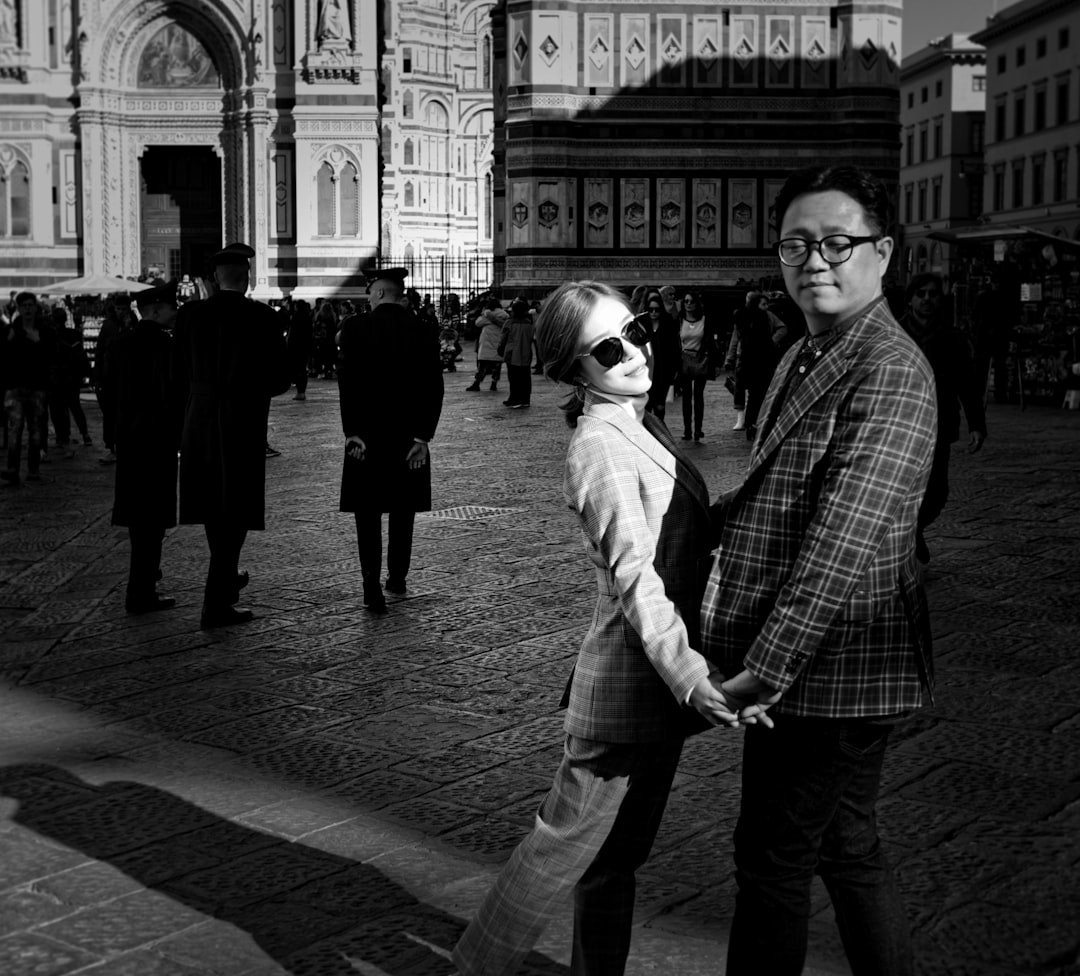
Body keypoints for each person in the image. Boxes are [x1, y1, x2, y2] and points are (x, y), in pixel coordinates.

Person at [453, 280, 769, 976]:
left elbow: (678, 532)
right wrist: (693, 677)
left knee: (614, 858)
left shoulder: (635, 421)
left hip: (647, 691)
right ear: (574, 368)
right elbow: (637, 579)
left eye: (631, 330)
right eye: (606, 346)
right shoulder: (600, 442)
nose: (631, 351)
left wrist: (756, 494)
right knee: (557, 853)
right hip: (629, 691)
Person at [700, 165, 938, 976]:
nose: (816, 261)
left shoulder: (889, 369)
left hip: (831, 669)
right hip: (824, 669)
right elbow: (780, 491)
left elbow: (841, 541)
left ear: (884, 252)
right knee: (847, 846)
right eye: (796, 244)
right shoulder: (809, 350)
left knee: (772, 861)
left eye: (838, 242)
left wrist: (763, 672)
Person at [171, 242, 291, 629]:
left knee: (210, 503)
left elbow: (176, 375)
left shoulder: (189, 316)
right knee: (235, 505)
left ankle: (224, 584)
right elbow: (280, 379)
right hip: (242, 419)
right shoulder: (264, 318)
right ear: (248, 279)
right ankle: (217, 598)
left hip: (200, 419)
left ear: (212, 280)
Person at [337, 268, 443, 613]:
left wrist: (351, 430)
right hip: (406, 436)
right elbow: (432, 386)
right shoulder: (424, 330)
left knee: (366, 513)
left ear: (380, 293)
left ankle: (370, 585)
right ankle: (397, 577)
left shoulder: (354, 328)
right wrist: (422, 435)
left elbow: (348, 381)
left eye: (370, 293)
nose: (368, 298)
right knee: (403, 509)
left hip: (365, 437)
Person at [899, 273, 987, 563]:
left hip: (938, 423)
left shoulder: (952, 338)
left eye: (933, 294)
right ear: (911, 298)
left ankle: (914, 530)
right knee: (903, 490)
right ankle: (910, 535)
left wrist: (977, 424)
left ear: (941, 299)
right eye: (921, 293)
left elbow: (967, 383)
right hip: (898, 426)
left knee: (936, 493)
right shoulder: (893, 334)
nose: (927, 299)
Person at [106, 283, 181, 614]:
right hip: (158, 442)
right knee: (154, 519)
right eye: (170, 308)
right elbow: (175, 397)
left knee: (140, 518)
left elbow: (107, 395)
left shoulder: (120, 345)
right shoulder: (166, 347)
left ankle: (145, 582)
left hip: (130, 442)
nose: (174, 313)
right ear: (153, 311)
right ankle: (142, 590)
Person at [1, 293, 51, 486]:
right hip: (15, 387)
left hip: (37, 387)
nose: (28, 309)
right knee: (15, 429)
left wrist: (38, 341)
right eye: (24, 306)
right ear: (19, 308)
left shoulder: (44, 330)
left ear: (36, 308)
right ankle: (12, 468)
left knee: (36, 430)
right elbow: (3, 358)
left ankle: (33, 468)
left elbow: (52, 355)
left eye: (31, 305)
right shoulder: (11, 330)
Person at [728, 291, 788, 439]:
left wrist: (772, 342)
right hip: (753, 358)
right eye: (763, 304)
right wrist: (730, 358)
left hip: (755, 358)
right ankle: (749, 422)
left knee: (756, 394)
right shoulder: (750, 317)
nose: (765, 307)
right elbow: (736, 339)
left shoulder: (764, 316)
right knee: (748, 392)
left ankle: (751, 424)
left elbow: (780, 330)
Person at [47, 308, 93, 453]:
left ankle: (62, 438)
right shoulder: (75, 334)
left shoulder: (51, 336)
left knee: (57, 409)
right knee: (75, 406)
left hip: (57, 377)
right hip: (72, 377)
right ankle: (85, 434)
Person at [676, 290, 719, 441]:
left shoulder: (705, 320)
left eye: (691, 301)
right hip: (684, 360)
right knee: (686, 397)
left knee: (698, 396)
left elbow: (710, 342)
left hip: (700, 359)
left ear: (696, 303)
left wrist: (714, 363)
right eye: (686, 301)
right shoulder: (680, 320)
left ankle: (698, 430)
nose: (688, 304)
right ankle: (687, 430)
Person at [641, 291, 680, 421]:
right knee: (646, 406)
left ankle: (659, 434)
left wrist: (674, 370)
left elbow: (675, 348)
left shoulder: (668, 323)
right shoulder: (642, 324)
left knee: (659, 407)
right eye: (650, 309)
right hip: (645, 371)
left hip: (663, 371)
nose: (653, 312)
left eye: (656, 310)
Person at [499, 298, 536, 408]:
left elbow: (503, 338)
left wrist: (500, 349)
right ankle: (525, 399)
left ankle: (514, 398)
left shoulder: (509, 323)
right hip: (526, 353)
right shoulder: (529, 324)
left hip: (512, 353)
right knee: (525, 377)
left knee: (513, 377)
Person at [465, 303, 504, 392]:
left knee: (482, 366)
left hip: (487, 345)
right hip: (498, 344)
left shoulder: (487, 315)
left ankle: (477, 383)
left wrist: (487, 315)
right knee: (497, 366)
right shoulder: (504, 315)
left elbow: (478, 323)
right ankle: (494, 383)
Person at [286, 299, 314, 400]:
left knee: (298, 369)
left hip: (296, 347)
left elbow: (293, 334)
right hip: (305, 347)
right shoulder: (307, 316)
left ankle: (300, 391)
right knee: (302, 369)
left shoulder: (296, 317)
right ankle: (301, 391)